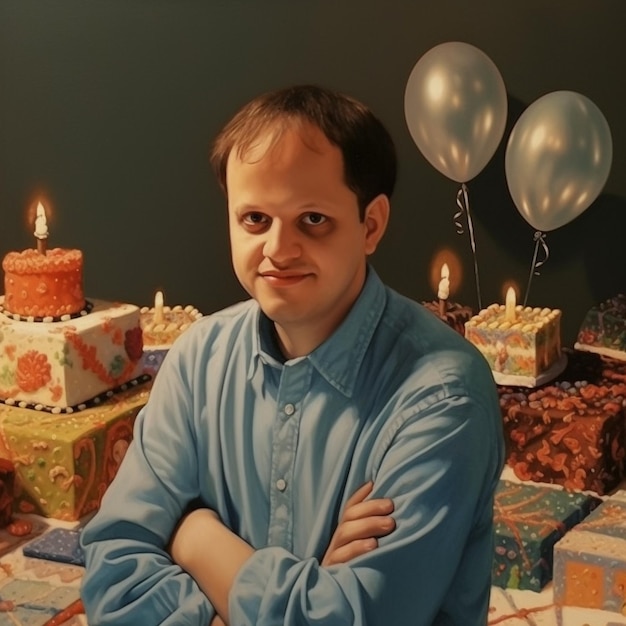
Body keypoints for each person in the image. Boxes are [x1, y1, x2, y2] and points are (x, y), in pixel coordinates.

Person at [80, 84, 504, 625]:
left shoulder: (442, 399)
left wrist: (194, 535)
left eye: (313, 220)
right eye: (255, 219)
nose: (278, 250)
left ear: (370, 224)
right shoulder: (196, 361)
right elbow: (114, 573)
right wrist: (310, 591)